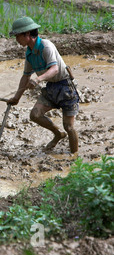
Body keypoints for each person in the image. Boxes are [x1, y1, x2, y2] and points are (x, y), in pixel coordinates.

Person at [7, 17, 79, 153]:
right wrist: (17, 97)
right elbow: (25, 76)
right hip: (51, 87)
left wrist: (38, 79)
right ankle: (58, 134)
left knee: (69, 127)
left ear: (27, 34)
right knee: (35, 114)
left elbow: (55, 69)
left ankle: (75, 159)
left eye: (17, 36)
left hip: (65, 86)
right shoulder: (29, 53)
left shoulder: (46, 46)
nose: (16, 39)